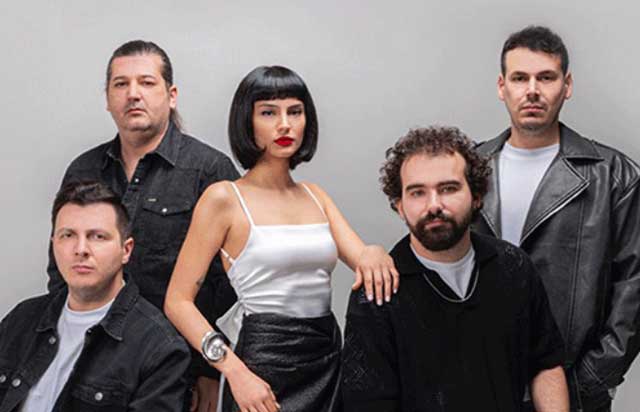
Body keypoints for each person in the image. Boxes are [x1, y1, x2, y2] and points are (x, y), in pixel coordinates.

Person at [165, 65, 399, 412]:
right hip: (261, 364)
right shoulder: (224, 198)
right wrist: (234, 371)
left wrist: (376, 251)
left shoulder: (316, 195)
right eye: (268, 113)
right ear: (247, 121)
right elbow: (177, 301)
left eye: (295, 111)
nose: (285, 124)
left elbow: (364, 257)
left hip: (326, 358)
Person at [45, 40, 240, 409]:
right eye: (121, 84)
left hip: (179, 370)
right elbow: (60, 271)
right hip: (90, 365)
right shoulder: (83, 170)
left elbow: (230, 286)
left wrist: (209, 370)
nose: (133, 94)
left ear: (171, 95)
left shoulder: (210, 170)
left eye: (147, 83)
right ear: (107, 98)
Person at [342, 126, 569, 412]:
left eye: (448, 189)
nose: (434, 205)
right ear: (399, 205)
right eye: (417, 193)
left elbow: (546, 364)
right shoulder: (378, 293)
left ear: (476, 196)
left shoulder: (514, 267)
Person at [473, 26, 640, 412]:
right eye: (520, 78)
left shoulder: (614, 175)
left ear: (567, 86)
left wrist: (591, 381)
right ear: (502, 86)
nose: (532, 90)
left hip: (573, 388)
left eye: (546, 77)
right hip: (479, 383)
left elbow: (634, 286)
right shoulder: (468, 168)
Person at [0, 181, 190, 412]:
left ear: (126, 250)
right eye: (68, 235)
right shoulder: (21, 319)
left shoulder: (160, 348)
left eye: (98, 236)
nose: (81, 249)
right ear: (54, 245)